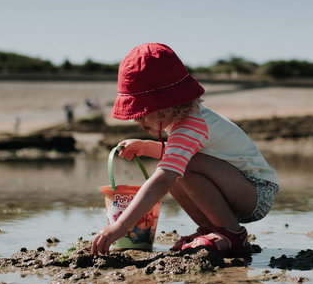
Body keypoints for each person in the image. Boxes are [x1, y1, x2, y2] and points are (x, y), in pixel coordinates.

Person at [90, 43, 279, 256]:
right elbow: (175, 153)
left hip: (257, 192)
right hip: (236, 187)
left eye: (142, 113)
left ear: (166, 105)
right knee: (177, 165)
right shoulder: (182, 122)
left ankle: (232, 234)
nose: (137, 119)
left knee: (175, 170)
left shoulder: (192, 124)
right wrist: (145, 146)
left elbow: (164, 177)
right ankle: (211, 229)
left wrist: (121, 226)